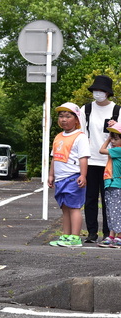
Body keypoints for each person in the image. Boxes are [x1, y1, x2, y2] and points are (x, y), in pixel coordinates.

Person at [80, 75, 118, 243]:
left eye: (101, 90)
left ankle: (108, 234)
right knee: (90, 199)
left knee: (109, 199)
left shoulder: (117, 110)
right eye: (95, 90)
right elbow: (80, 134)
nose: (98, 93)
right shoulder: (86, 109)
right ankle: (91, 233)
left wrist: (115, 127)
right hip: (90, 160)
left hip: (111, 162)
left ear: (108, 93)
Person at [48, 102, 90, 248]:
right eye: (61, 116)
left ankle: (75, 237)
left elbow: (83, 158)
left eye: (68, 116)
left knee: (74, 207)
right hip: (60, 178)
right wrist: (51, 175)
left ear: (77, 120)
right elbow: (55, 157)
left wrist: (83, 175)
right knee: (65, 207)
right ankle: (66, 235)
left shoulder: (80, 137)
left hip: (73, 176)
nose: (63, 119)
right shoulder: (59, 136)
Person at [98, 123, 121, 248]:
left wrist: (107, 139)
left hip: (117, 184)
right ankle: (112, 235)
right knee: (111, 211)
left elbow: (101, 150)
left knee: (117, 211)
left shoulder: (118, 150)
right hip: (110, 183)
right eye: (112, 138)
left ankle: (119, 236)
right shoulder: (115, 150)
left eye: (115, 139)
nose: (112, 141)